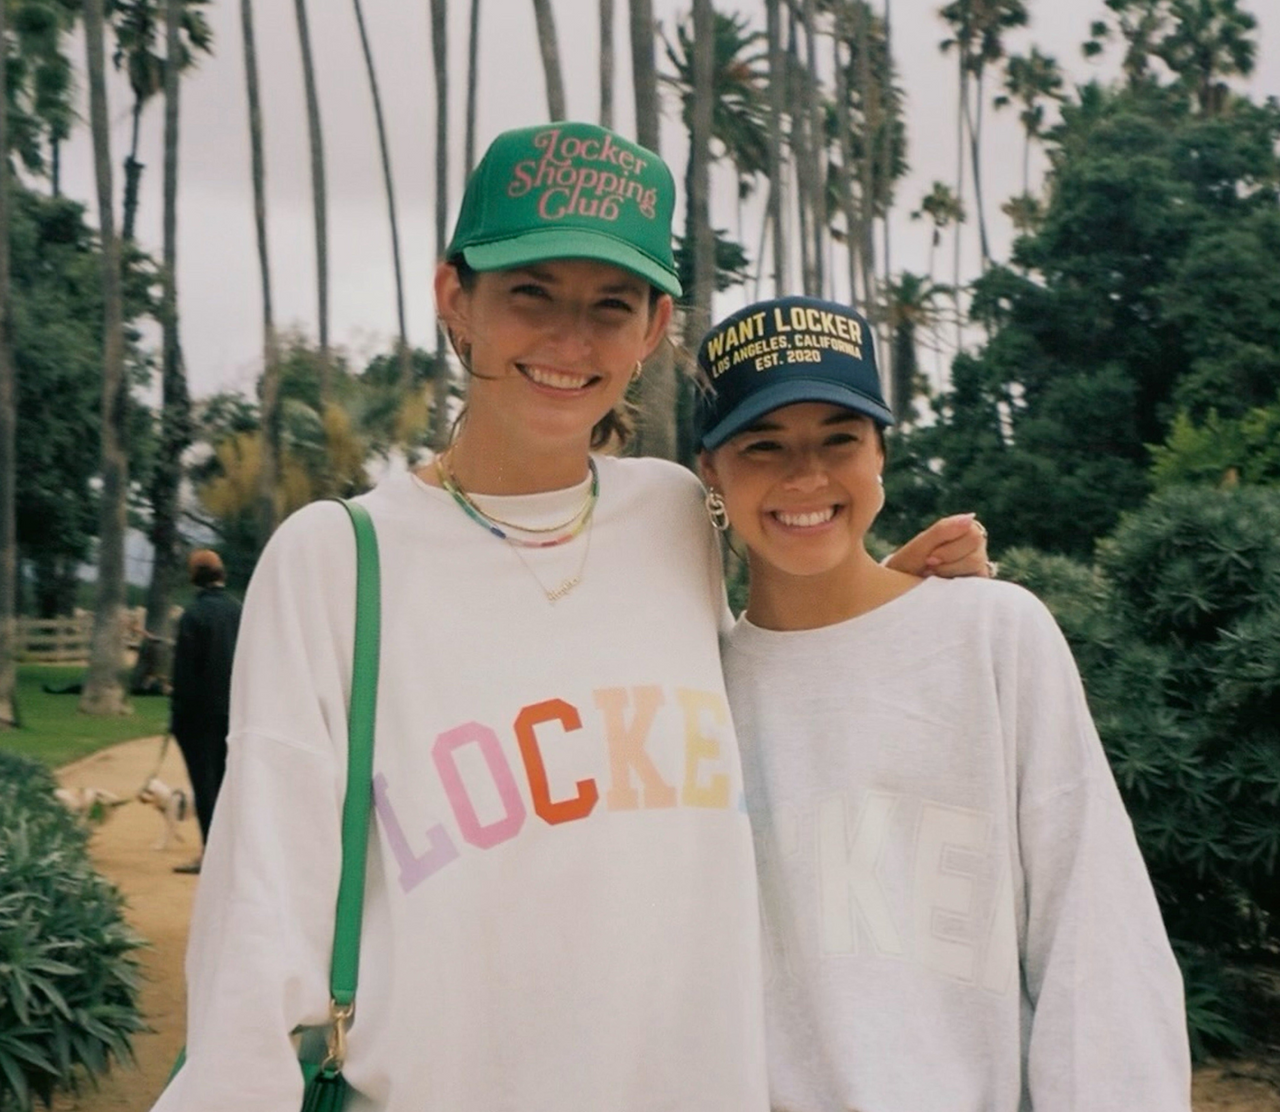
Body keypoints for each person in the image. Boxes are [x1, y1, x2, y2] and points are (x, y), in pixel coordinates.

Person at [156, 123, 986, 1112]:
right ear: (453, 299)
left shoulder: (676, 516)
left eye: (609, 304)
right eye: (529, 293)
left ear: (652, 328)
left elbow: (753, 715)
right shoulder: (337, 557)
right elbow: (260, 911)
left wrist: (881, 602)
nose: (569, 338)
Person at [696, 294, 1192, 1112]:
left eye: (839, 440)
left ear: (882, 451)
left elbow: (1096, 938)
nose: (807, 475)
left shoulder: (993, 635)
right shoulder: (695, 690)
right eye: (763, 445)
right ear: (710, 470)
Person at [168, 548, 242, 874]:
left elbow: (184, 674)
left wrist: (177, 712)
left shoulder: (193, 616)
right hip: (236, 712)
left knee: (205, 784)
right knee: (231, 783)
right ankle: (235, 852)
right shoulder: (239, 611)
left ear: (196, 574)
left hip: (199, 717)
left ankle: (212, 854)